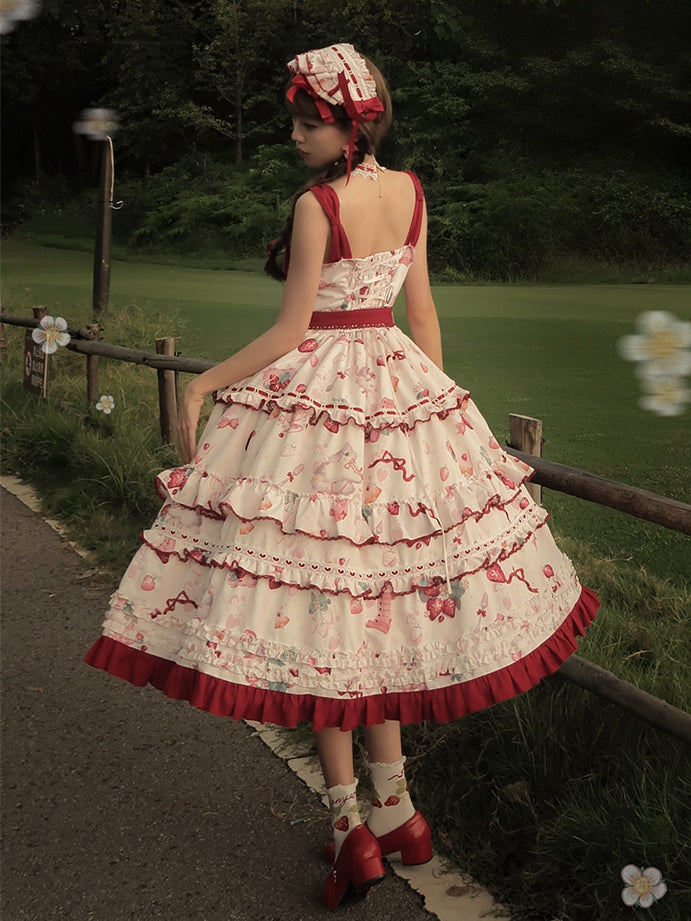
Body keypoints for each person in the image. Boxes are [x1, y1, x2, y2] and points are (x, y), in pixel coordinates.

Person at [85, 43, 599, 910]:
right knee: (372, 606)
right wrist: (435, 418)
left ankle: (347, 827)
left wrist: (207, 382)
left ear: (348, 126)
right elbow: (422, 310)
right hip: (397, 389)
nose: (294, 135)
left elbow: (291, 332)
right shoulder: (410, 192)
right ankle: (399, 813)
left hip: (318, 413)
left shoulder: (317, 203)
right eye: (295, 121)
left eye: (307, 123)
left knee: (326, 616)